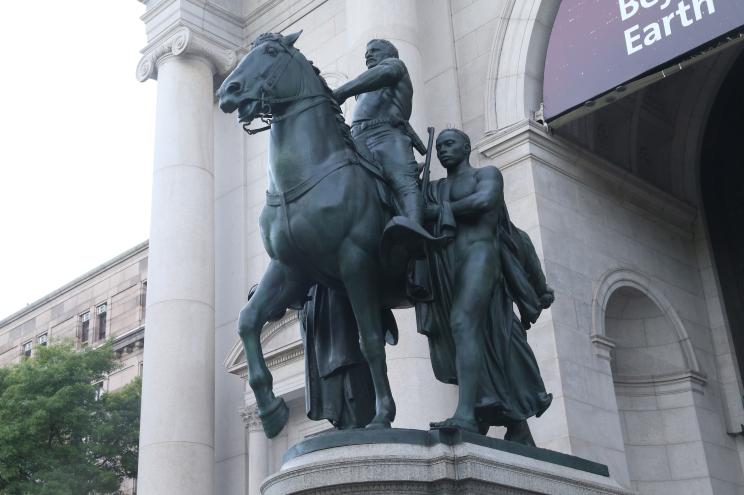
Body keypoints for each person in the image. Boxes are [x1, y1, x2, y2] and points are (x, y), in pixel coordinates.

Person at [415, 129, 553, 445]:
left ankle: (465, 413)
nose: (443, 151)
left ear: (466, 146)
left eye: (449, 144)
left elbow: (485, 201)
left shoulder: (486, 174)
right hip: (448, 266)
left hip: (481, 256)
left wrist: (438, 212)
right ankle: (512, 422)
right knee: (482, 337)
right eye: (438, 148)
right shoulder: (436, 188)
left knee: (463, 324)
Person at [333, 39, 425, 225]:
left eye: (375, 50)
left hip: (387, 135)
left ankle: (414, 228)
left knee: (403, 183)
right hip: (357, 139)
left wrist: (342, 91)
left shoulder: (395, 66)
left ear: (390, 55)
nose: (368, 54)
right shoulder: (364, 86)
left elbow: (386, 73)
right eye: (367, 51)